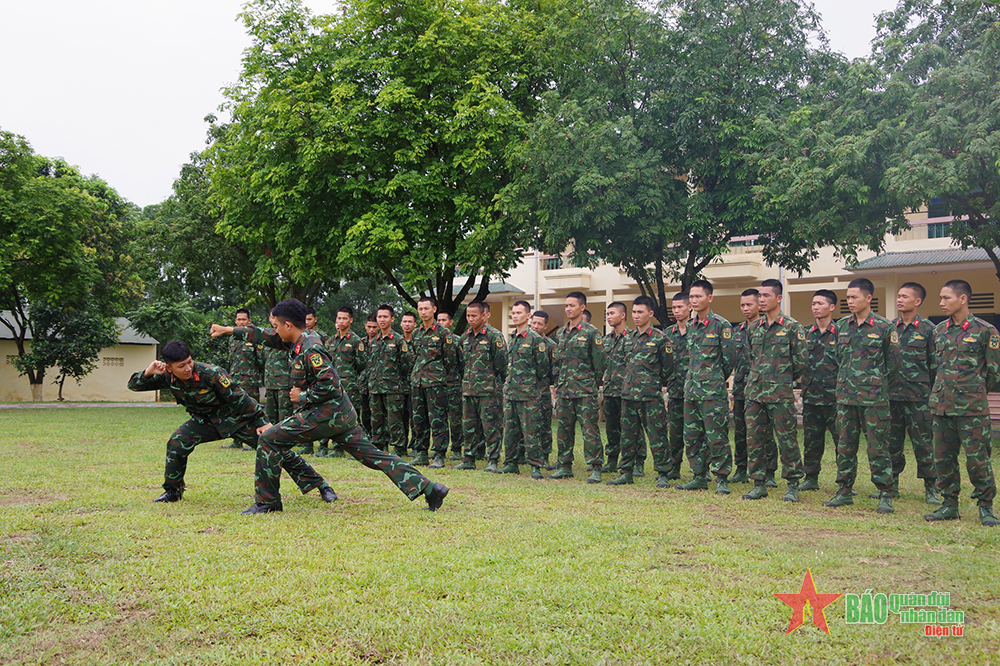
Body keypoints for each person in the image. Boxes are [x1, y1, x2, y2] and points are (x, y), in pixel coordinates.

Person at [210, 299, 448, 514]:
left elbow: (330, 385)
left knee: (270, 438)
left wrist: (301, 396)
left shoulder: (311, 348)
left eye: (278, 326)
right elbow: (265, 336)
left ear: (288, 325)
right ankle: (430, 489)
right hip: (340, 415)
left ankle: (267, 501)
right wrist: (229, 330)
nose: (275, 330)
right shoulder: (298, 339)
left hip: (326, 414)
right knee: (373, 456)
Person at [127, 339, 267, 502]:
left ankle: (305, 478)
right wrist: (148, 372)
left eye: (189, 362)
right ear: (169, 367)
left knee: (271, 446)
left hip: (235, 419)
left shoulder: (211, 373)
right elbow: (133, 385)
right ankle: (173, 492)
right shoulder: (167, 377)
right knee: (177, 442)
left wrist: (262, 421)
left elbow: (239, 398)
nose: (187, 368)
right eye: (181, 366)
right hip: (204, 423)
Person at [823, 277, 901, 514]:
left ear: (868, 298)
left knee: (878, 448)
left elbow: (894, 364)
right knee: (845, 447)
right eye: (847, 297)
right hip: (846, 398)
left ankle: (885, 492)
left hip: (874, 400)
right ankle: (844, 490)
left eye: (853, 297)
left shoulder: (885, 327)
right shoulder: (843, 326)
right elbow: (838, 358)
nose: (849, 301)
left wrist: (875, 384)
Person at [924, 280, 999, 526]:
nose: (941, 303)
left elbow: (993, 372)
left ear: (963, 299)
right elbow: (935, 367)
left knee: (977, 459)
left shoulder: (986, 330)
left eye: (946, 298)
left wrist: (972, 393)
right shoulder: (939, 331)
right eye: (941, 298)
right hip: (941, 407)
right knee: (943, 458)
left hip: (971, 409)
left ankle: (986, 506)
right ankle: (949, 504)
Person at [740, 280, 808, 502]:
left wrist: (781, 379)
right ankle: (759, 482)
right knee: (755, 439)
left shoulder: (792, 327)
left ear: (778, 298)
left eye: (766, 296)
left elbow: (800, 362)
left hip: (779, 393)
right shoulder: (753, 328)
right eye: (760, 295)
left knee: (786, 439)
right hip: (754, 393)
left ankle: (792, 483)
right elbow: (751, 357)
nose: (761, 300)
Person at [607, 296, 673, 487]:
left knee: (657, 435)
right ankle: (626, 471)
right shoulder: (627, 339)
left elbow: (667, 368)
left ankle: (662, 473)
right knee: (628, 436)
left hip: (650, 396)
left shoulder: (661, 339)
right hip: (628, 395)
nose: (636, 316)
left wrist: (651, 382)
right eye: (634, 312)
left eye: (640, 312)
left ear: (650, 314)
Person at [676, 280, 735, 493]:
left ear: (709, 298)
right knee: (692, 437)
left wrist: (713, 378)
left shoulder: (721, 325)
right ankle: (699, 475)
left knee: (716, 436)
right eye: (691, 297)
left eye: (698, 296)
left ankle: (721, 478)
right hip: (691, 391)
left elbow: (729, 359)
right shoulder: (690, 326)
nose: (694, 300)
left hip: (713, 393)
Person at [885, 282, 940, 504]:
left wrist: (932, 395)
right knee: (891, 443)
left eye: (905, 296)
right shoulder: (889, 328)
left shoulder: (929, 330)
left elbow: (935, 365)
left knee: (923, 444)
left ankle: (931, 488)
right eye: (898, 295)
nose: (899, 299)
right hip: (892, 397)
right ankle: (891, 485)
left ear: (917, 301)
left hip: (919, 398)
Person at [551, 291, 606, 483]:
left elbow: (599, 363)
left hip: (584, 391)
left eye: (572, 305)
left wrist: (590, 383)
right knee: (564, 429)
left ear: (582, 307)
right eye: (566, 305)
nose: (568, 309)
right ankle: (564, 465)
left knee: (589, 429)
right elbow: (557, 362)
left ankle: (596, 466)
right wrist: (558, 383)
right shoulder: (561, 333)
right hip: (565, 390)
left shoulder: (592, 333)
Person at [731, 289, 777, 486]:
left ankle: (769, 472)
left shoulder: (766, 329)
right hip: (742, 388)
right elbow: (729, 359)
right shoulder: (737, 331)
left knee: (764, 433)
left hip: (763, 390)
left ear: (759, 304)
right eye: (742, 305)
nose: (746, 309)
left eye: (749, 304)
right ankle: (741, 468)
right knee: (740, 432)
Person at [501, 300, 551, 479]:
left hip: (529, 393)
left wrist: (530, 384)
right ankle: (511, 463)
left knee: (531, 431)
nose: (515, 316)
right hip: (511, 392)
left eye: (519, 313)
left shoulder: (536, 339)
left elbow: (543, 368)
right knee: (511, 430)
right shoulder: (513, 337)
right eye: (513, 313)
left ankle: (535, 466)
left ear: (528, 316)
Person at [455, 301, 506, 471]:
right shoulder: (465, 337)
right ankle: (469, 458)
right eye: (468, 315)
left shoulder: (494, 336)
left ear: (484, 315)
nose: (470, 319)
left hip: (488, 390)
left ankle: (492, 459)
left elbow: (501, 364)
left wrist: (492, 381)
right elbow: (461, 363)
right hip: (469, 389)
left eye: (474, 315)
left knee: (490, 426)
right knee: (468, 426)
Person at [799, 290, 840, 491]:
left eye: (820, 303)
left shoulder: (841, 333)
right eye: (813, 303)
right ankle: (811, 477)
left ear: (831, 307)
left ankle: (845, 479)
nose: (815, 307)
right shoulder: (805, 333)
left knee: (843, 442)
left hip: (835, 398)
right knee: (811, 441)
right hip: (811, 397)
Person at [409, 297, 456, 468]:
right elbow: (415, 355)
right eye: (420, 309)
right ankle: (421, 453)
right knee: (418, 419)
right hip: (418, 382)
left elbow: (450, 359)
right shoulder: (416, 333)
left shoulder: (443, 333)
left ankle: (439, 454)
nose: (423, 312)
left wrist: (439, 374)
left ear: (434, 309)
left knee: (437, 419)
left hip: (436, 382)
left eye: (426, 308)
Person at [368, 304, 412, 457]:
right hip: (375, 387)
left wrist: (396, 380)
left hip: (393, 388)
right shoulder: (374, 341)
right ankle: (379, 447)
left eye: (385, 317)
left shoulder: (399, 341)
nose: (382, 320)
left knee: (395, 421)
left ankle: (399, 449)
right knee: (376, 421)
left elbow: (407, 364)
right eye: (379, 317)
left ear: (392, 319)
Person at [325, 305, 366, 458]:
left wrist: (351, 377)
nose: (341, 321)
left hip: (350, 385)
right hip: (333, 385)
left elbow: (362, 364)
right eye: (339, 318)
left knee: (352, 416)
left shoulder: (356, 341)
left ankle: (357, 448)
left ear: (351, 320)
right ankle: (337, 448)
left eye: (344, 318)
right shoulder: (331, 341)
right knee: (335, 416)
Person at [223, 308, 264, 449]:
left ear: (249, 321)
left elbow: (260, 361)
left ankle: (254, 440)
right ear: (235, 321)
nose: (241, 322)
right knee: (235, 410)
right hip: (235, 380)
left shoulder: (254, 338)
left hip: (250, 380)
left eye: (243, 319)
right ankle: (237, 440)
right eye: (238, 319)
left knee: (252, 410)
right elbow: (231, 360)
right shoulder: (232, 339)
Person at [664, 293, 691, 481]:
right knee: (674, 432)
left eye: (680, 307)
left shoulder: (698, 330)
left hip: (696, 390)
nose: (676, 311)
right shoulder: (668, 333)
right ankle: (674, 467)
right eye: (674, 308)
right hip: (675, 390)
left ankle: (701, 469)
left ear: (690, 307)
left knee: (696, 433)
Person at [601, 301, 630, 476]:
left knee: (631, 428)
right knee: (611, 428)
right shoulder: (606, 340)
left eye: (612, 313)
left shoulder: (632, 337)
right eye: (607, 314)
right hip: (610, 390)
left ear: (623, 315)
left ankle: (637, 461)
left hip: (628, 391)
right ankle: (611, 460)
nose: (609, 317)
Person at [437, 310, 465, 461]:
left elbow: (462, 363)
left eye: (444, 320)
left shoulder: (457, 340)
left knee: (455, 419)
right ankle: (439, 448)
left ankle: (457, 448)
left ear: (451, 322)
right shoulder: (432, 338)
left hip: (453, 383)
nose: (441, 323)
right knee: (439, 418)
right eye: (438, 320)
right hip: (436, 384)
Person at [531, 310, 556, 468]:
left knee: (544, 424)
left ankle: (545, 455)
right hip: (524, 390)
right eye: (533, 322)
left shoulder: (551, 346)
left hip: (542, 391)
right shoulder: (522, 341)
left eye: (539, 323)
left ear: (546, 326)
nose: (535, 326)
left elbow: (554, 369)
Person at [262, 311, 294, 429]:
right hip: (270, 384)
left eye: (276, 318)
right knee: (270, 416)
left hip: (284, 384)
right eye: (272, 317)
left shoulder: (288, 339)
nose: (274, 320)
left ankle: (285, 441)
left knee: (284, 415)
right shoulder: (266, 340)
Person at [400, 311, 418, 452]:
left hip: (416, 384)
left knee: (416, 417)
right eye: (405, 321)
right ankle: (402, 445)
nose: (407, 324)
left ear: (415, 324)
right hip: (400, 385)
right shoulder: (398, 342)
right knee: (401, 417)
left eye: (410, 322)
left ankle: (416, 445)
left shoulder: (418, 341)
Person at [359, 315, 379, 435]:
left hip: (378, 383)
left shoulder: (381, 341)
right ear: (365, 326)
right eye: (369, 327)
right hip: (363, 383)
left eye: (374, 327)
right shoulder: (360, 342)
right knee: (365, 413)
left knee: (377, 413)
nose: (371, 330)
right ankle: (367, 436)